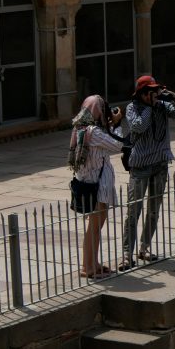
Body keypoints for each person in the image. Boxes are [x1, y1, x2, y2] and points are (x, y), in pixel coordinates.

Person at [119, 74, 175, 270]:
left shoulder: (162, 106)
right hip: (140, 166)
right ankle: (127, 254)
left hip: (160, 164)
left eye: (156, 90)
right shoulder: (133, 108)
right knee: (134, 211)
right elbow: (138, 126)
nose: (155, 94)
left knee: (153, 210)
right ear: (142, 93)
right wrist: (150, 107)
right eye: (150, 91)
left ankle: (144, 247)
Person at [68, 95, 123, 279]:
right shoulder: (94, 133)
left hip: (88, 182)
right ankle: (88, 268)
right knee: (94, 227)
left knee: (94, 227)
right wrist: (117, 124)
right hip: (99, 187)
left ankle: (93, 263)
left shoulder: (80, 129)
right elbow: (118, 145)